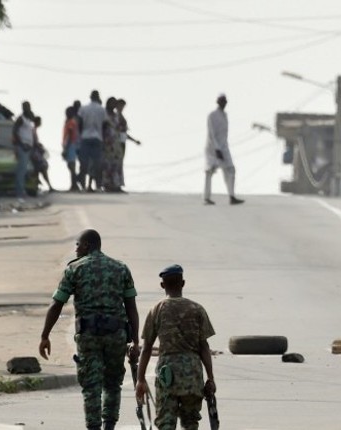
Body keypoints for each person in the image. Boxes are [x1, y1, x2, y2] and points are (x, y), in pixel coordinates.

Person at [39, 229, 140, 430]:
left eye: (77, 245)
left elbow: (57, 304)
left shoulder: (74, 269)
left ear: (86, 245)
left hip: (89, 335)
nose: (76, 250)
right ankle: (109, 426)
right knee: (113, 384)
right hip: (116, 334)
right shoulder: (120, 268)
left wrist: (45, 335)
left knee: (91, 386)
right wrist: (136, 340)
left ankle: (94, 427)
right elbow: (131, 306)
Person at [135, 264, 216, 430]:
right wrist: (210, 378)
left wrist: (140, 380)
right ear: (183, 283)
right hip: (192, 375)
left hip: (167, 375)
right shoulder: (197, 309)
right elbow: (204, 347)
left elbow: (147, 348)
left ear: (162, 285)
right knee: (191, 423)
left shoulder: (156, 310)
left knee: (165, 424)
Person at [204, 93, 244, 205]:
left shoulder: (225, 115)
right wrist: (217, 149)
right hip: (212, 149)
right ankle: (206, 197)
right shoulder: (212, 115)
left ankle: (232, 196)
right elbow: (211, 133)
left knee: (231, 169)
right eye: (222, 102)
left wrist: (222, 149)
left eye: (225, 102)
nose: (223, 104)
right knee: (209, 171)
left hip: (224, 148)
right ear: (218, 102)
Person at [78, 90, 109, 192]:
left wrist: (81, 133)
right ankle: (98, 186)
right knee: (97, 163)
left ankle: (83, 186)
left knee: (84, 163)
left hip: (85, 136)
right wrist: (103, 136)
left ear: (90, 97)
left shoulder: (83, 108)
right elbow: (105, 125)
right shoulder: (102, 109)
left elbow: (79, 122)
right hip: (97, 137)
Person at [116, 98, 141, 191]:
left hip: (122, 141)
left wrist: (134, 140)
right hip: (117, 142)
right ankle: (115, 183)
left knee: (120, 163)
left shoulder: (121, 117)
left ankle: (118, 183)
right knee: (117, 162)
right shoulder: (116, 117)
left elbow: (124, 133)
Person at [12, 101, 36, 198]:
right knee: (21, 170)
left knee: (25, 170)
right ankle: (19, 191)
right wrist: (21, 144)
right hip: (23, 147)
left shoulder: (29, 119)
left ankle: (23, 190)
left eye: (28, 106)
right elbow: (14, 131)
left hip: (28, 146)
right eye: (25, 107)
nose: (27, 108)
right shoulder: (20, 119)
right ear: (22, 108)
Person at [100, 97, 123, 192]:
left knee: (116, 164)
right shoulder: (104, 114)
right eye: (112, 103)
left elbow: (121, 129)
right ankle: (107, 184)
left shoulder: (116, 115)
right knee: (107, 164)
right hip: (107, 142)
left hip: (116, 142)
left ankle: (116, 184)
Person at [31, 116, 55, 192]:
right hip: (35, 153)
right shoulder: (33, 130)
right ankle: (49, 186)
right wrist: (40, 147)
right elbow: (34, 143)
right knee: (43, 168)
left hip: (35, 152)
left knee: (38, 170)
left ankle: (37, 186)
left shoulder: (33, 130)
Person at [63, 106, 82, 191]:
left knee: (71, 166)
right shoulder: (73, 121)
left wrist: (66, 148)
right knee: (71, 166)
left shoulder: (71, 122)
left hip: (71, 145)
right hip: (73, 144)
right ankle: (74, 184)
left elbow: (70, 135)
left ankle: (74, 184)